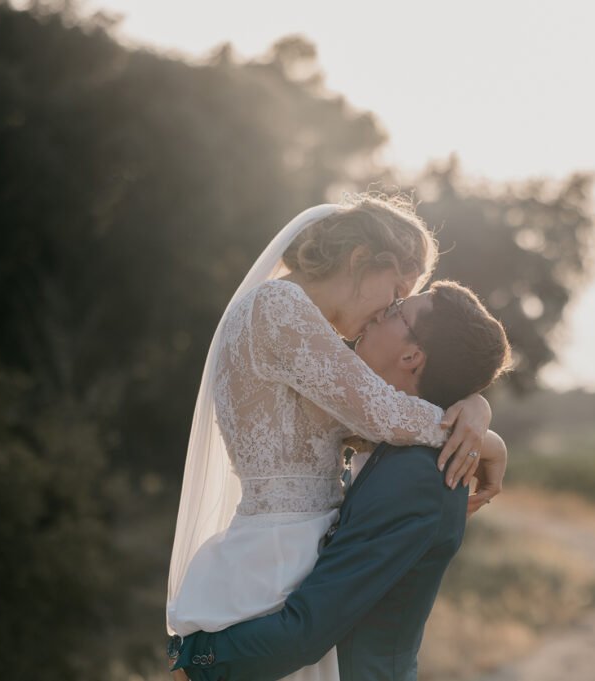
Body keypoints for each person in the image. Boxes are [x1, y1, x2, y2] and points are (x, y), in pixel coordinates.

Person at [165, 195, 506, 681]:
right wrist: (485, 437)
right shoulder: (278, 307)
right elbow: (383, 413)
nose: (382, 314)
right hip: (276, 559)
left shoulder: (306, 336)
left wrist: (476, 406)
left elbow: (380, 415)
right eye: (394, 295)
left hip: (297, 555)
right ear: (361, 262)